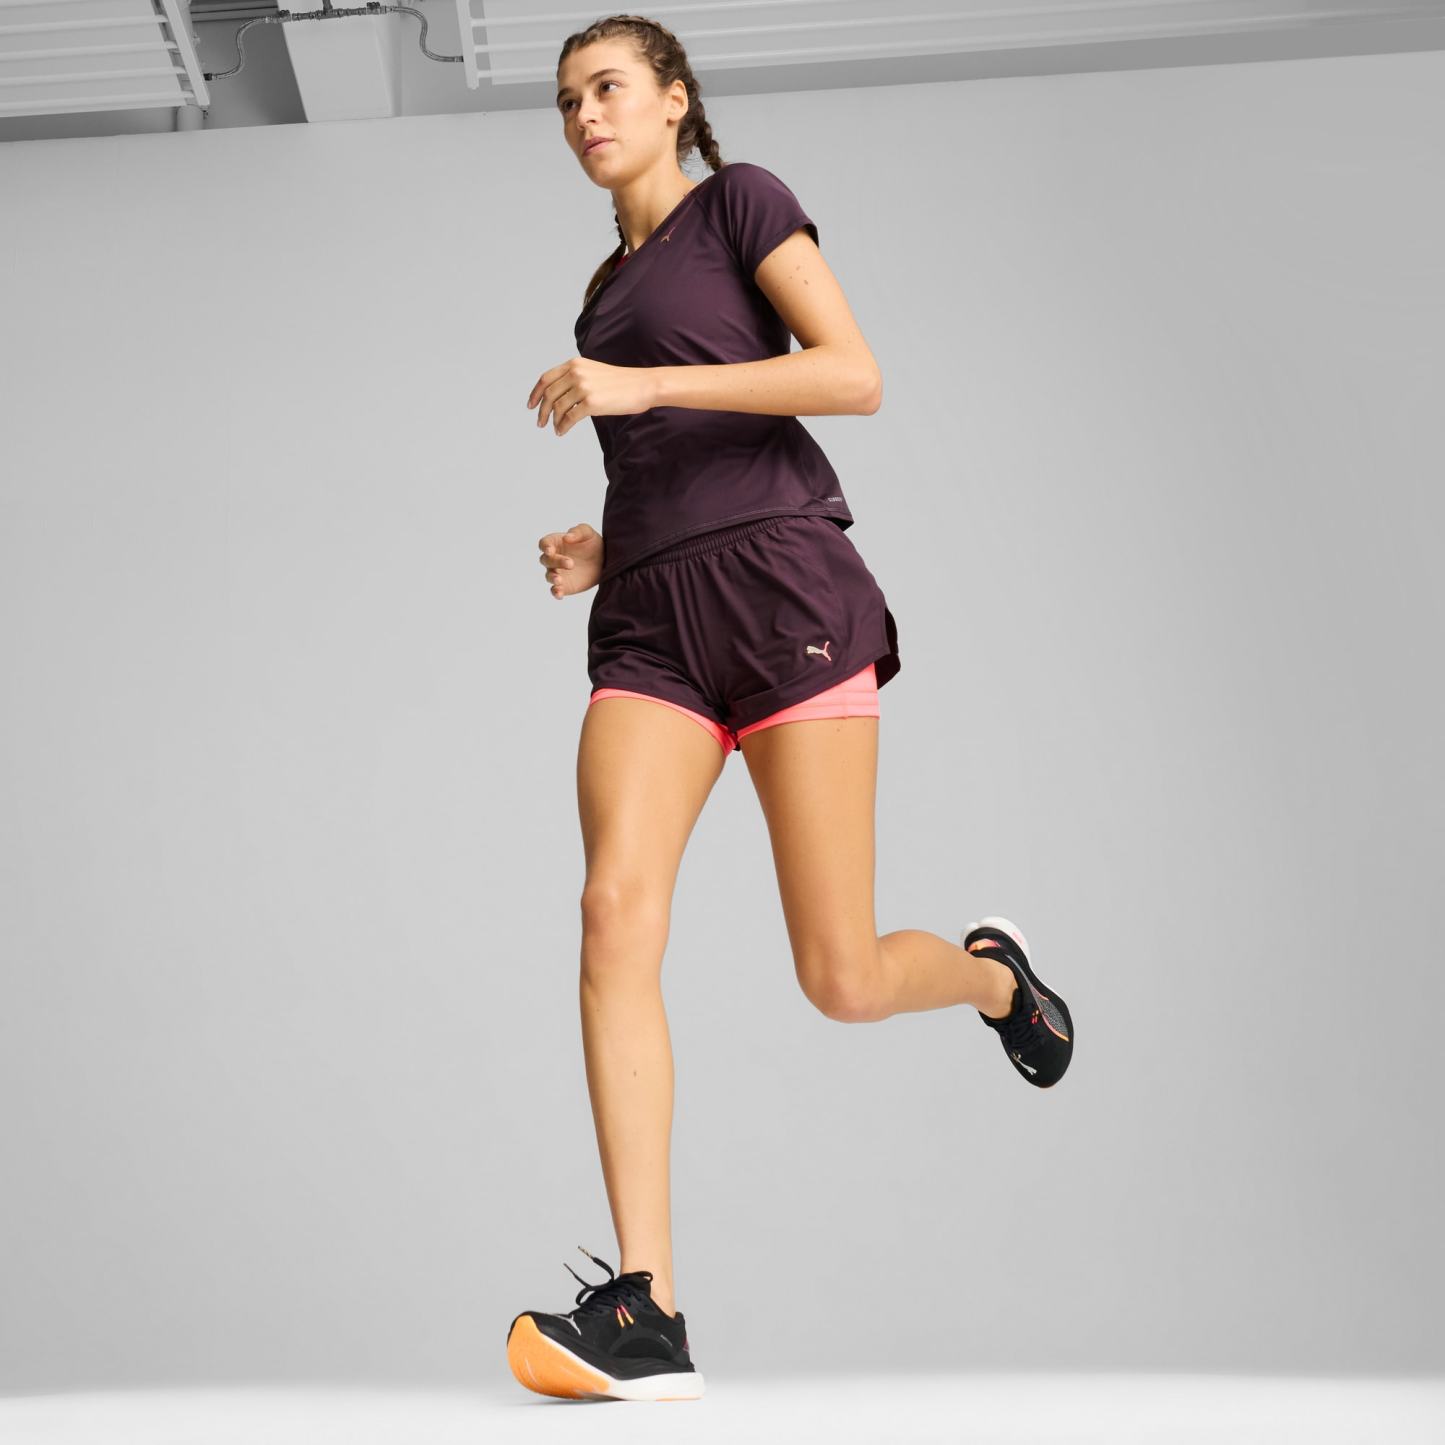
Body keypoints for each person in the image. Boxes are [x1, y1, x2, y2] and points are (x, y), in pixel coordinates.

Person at [506, 13, 1075, 1404]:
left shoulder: (741, 203)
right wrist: (604, 544)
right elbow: (673, 464)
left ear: (673, 99)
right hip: (651, 625)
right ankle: (647, 1308)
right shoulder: (601, 293)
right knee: (609, 912)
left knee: (839, 977)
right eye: (566, 99)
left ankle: (998, 979)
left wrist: (644, 382)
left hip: (784, 598)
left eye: (608, 87)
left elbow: (849, 373)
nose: (585, 116)